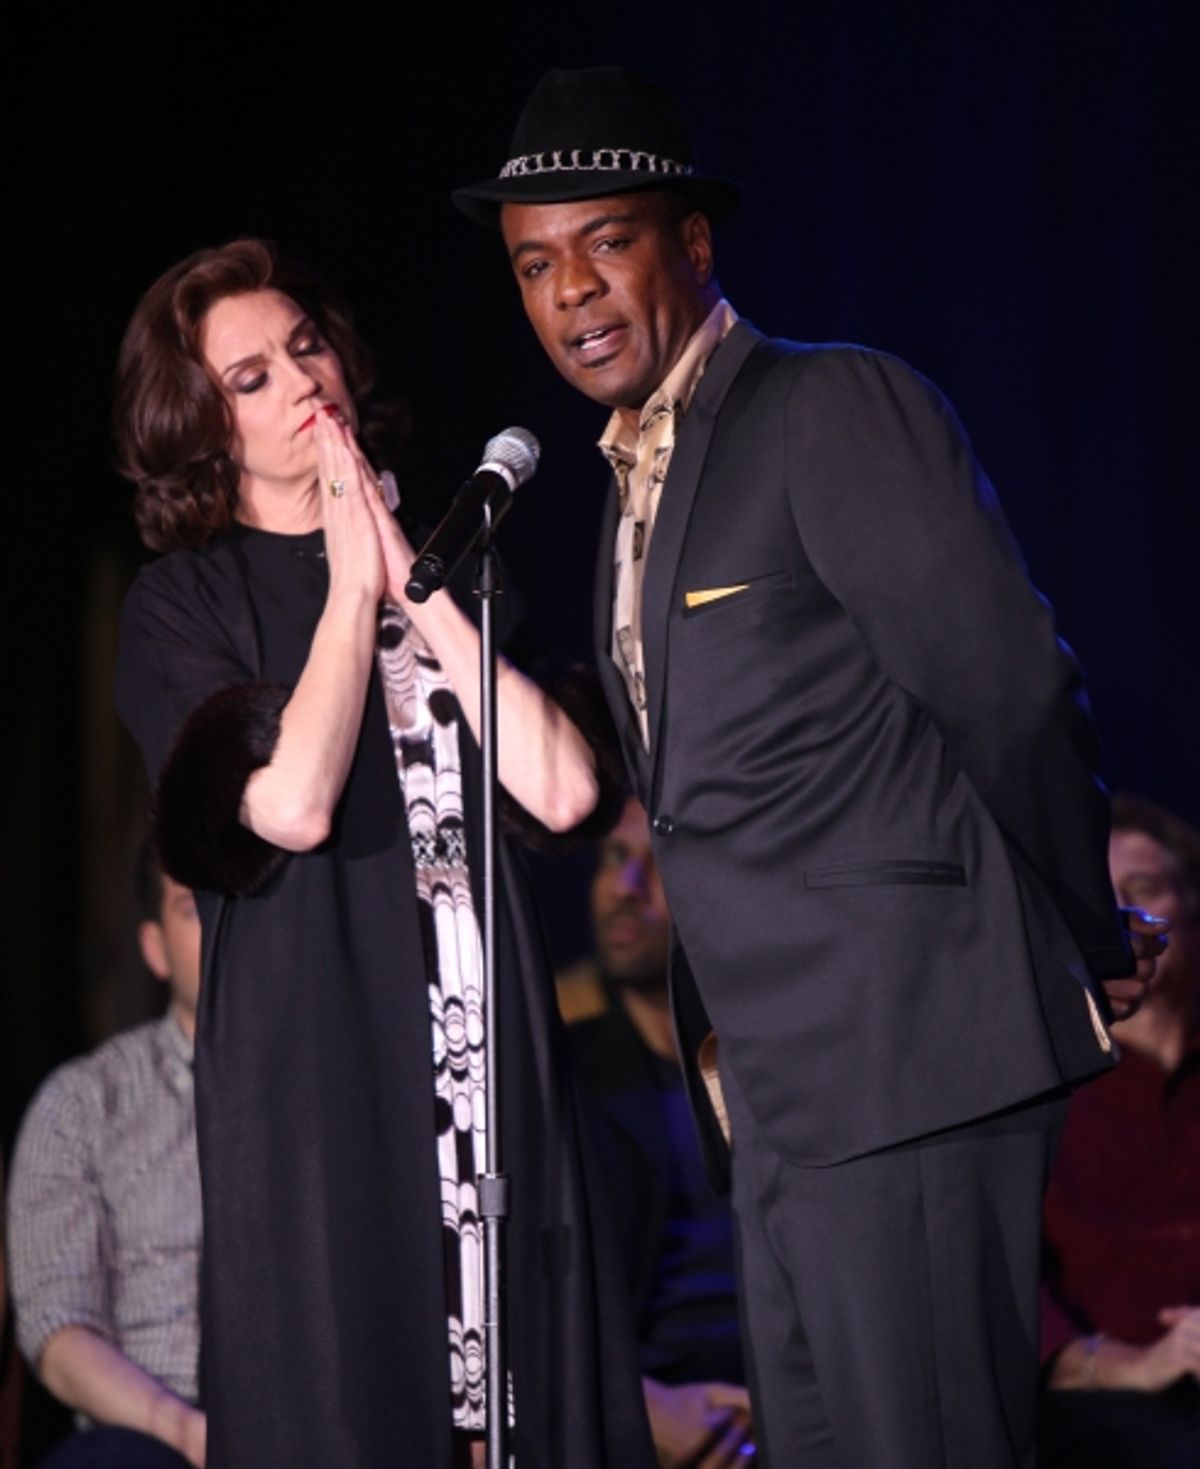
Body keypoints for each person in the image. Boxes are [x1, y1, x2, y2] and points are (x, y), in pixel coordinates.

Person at [452, 66, 1168, 1468]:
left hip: (907, 1060)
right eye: (537, 264)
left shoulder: (825, 407)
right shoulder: (630, 484)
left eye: (608, 242)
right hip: (774, 1093)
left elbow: (1010, 685)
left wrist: (1080, 925)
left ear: (695, 242)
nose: (573, 292)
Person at [111, 239, 653, 1469]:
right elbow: (291, 804)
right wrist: (351, 596)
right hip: (325, 1068)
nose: (303, 379)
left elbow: (564, 789)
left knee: (515, 1404)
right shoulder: (181, 605)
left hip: (485, 1051)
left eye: (305, 345)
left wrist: (415, 579)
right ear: (201, 427)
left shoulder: (442, 572)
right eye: (249, 377)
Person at [6, 841, 204, 1468]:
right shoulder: (85, 1104)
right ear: (154, 947)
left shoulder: (335, 1089)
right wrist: (179, 1429)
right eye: (195, 909)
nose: (226, 927)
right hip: (151, 1429)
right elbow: (58, 1329)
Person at [568, 796, 752, 1467]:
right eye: (614, 859)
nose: (625, 888)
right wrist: (638, 1406)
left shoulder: (774, 1071)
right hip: (649, 1424)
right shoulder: (569, 1079)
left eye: (656, 867)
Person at [1038, 794, 1200, 1468]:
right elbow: (1013, 1295)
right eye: (1105, 900)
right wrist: (1137, 1363)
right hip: (1112, 1405)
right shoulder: (1047, 1084)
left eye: (1146, 889)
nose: (1128, 918)